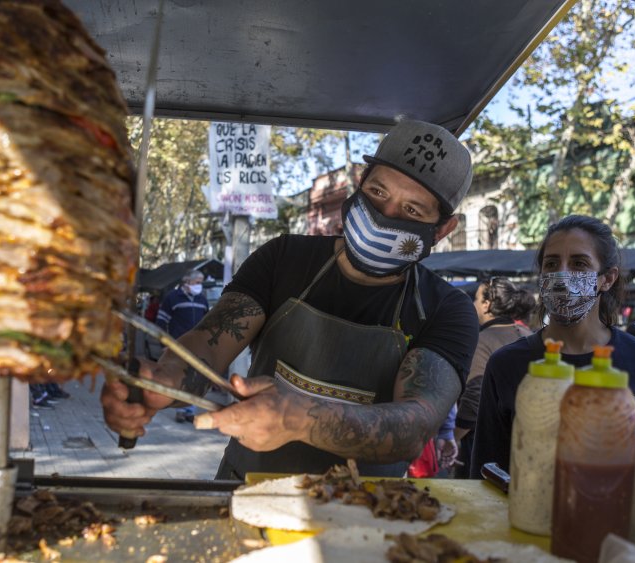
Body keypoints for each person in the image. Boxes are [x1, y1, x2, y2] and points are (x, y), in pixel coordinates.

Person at [101, 119, 479, 479]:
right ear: (359, 184)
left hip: (364, 516)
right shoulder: (284, 258)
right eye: (378, 192)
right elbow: (208, 346)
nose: (384, 216)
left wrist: (301, 419)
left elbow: (413, 425)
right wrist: (161, 382)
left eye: (412, 210)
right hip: (244, 489)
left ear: (443, 229)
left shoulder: (446, 308)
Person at [469, 215, 635, 478]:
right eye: (551, 264)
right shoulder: (506, 364)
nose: (561, 275)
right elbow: (486, 472)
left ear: (606, 279)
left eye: (579, 264)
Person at [442, 277, 532, 478]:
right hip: (525, 438)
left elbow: (475, 394)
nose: (473, 304)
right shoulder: (527, 334)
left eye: (475, 299)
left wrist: (455, 436)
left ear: (486, 304)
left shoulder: (482, 340)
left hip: (484, 441)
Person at [156, 269, 211, 422]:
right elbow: (161, 322)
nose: (200, 286)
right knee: (180, 378)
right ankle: (180, 409)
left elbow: (208, 323)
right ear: (187, 282)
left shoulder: (202, 300)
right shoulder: (172, 298)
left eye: (201, 282)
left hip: (197, 347)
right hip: (177, 346)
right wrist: (164, 343)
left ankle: (189, 410)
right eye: (197, 282)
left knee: (195, 379)